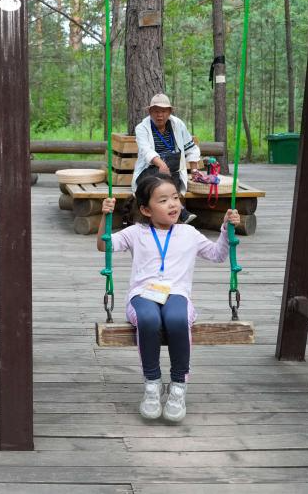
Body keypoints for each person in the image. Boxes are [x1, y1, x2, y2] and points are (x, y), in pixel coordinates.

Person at [97, 172, 239, 422]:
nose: (173, 204)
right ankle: (152, 384)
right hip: (143, 294)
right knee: (149, 319)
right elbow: (104, 245)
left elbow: (217, 254)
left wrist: (227, 228)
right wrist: (105, 217)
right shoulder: (136, 232)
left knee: (175, 318)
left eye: (175, 197)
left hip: (177, 293)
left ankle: (178, 386)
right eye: (163, 201)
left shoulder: (189, 233)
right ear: (146, 210)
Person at [132, 93, 201, 225]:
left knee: (170, 179)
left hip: (173, 171)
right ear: (150, 112)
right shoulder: (142, 128)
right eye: (156, 111)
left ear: (169, 112)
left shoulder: (178, 124)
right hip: (149, 170)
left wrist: (194, 171)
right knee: (155, 180)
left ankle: (172, 218)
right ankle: (181, 212)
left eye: (163, 111)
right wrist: (161, 165)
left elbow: (191, 148)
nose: (160, 115)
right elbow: (146, 151)